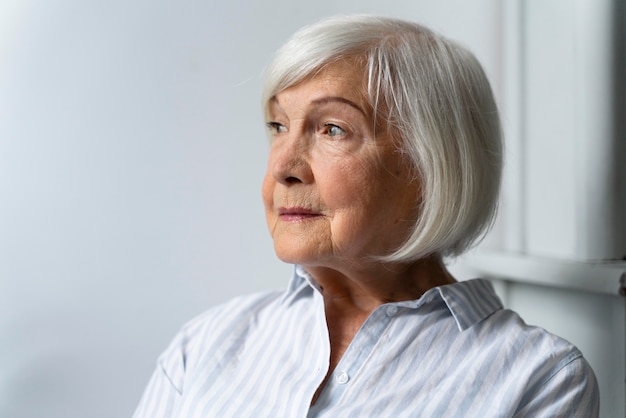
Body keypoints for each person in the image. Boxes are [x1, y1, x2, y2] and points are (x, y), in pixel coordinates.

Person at [133, 15, 599, 417]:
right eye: (279, 126)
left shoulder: (540, 379)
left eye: (332, 129)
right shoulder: (208, 343)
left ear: (430, 165)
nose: (282, 167)